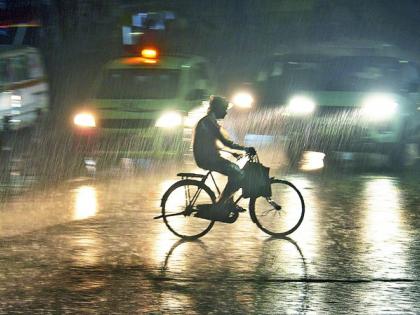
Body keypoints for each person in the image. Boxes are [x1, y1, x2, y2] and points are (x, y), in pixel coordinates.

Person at [193, 95, 256, 211]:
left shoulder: (209, 121)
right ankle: (220, 205)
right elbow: (225, 142)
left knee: (235, 170)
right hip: (207, 159)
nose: (226, 112)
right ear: (217, 108)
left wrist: (232, 153)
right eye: (224, 109)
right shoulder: (209, 122)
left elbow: (215, 144)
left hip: (209, 157)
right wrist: (245, 149)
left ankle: (228, 202)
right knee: (238, 173)